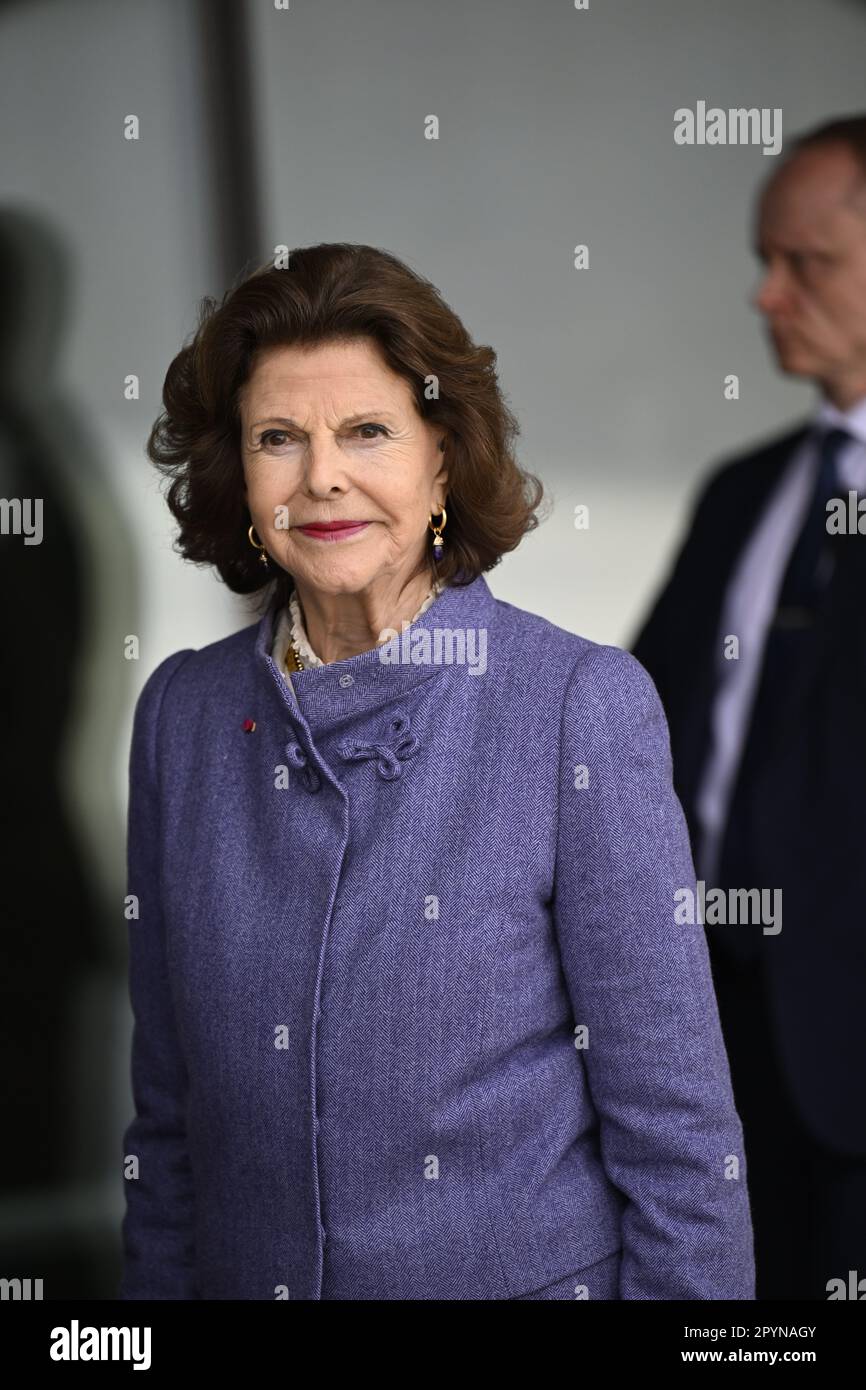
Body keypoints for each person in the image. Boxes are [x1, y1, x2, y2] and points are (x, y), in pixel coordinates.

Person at [119, 241, 753, 1300]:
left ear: (443, 460)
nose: (320, 475)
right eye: (279, 437)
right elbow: (167, 1123)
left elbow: (678, 1137)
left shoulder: (572, 707)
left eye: (366, 431)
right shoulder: (181, 714)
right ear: (239, 474)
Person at [632, 117, 866, 1301]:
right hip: (715, 1038)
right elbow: (640, 735)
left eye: (804, 264)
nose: (765, 295)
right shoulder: (745, 492)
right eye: (764, 260)